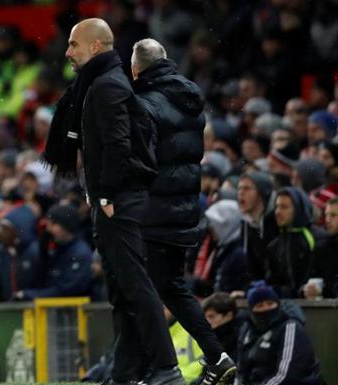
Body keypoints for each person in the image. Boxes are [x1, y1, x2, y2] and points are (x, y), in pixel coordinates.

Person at [45, 19, 182, 385]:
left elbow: (117, 144)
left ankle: (167, 367)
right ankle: (125, 373)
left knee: (136, 286)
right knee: (122, 293)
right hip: (112, 200)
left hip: (118, 201)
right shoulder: (99, 83)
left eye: (74, 44)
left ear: (94, 47)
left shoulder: (106, 85)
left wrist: (105, 194)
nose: (67, 51)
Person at [130, 38, 236, 385]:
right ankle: (215, 356)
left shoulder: (145, 103)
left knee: (147, 289)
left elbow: (143, 160)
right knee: (171, 287)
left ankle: (159, 368)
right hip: (184, 208)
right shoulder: (190, 98)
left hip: (154, 210)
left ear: (136, 68)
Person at [236, 282, 325, 385]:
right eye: (259, 306)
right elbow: (241, 369)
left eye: (270, 303)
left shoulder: (291, 327)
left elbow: (286, 375)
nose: (266, 308)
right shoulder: (247, 330)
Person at [14, 203, 93, 300]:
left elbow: (68, 290)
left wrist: (29, 295)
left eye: (53, 224)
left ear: (66, 226)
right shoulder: (55, 250)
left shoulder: (80, 253)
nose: (49, 229)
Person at [266, 187, 318, 297]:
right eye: (276, 207)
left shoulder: (317, 238)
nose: (278, 212)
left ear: (298, 209)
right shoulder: (274, 246)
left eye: (284, 207)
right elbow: (272, 282)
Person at [237, 171, 278, 282]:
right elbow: (251, 268)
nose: (241, 193)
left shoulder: (277, 222)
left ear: (262, 192)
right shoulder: (246, 224)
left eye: (247, 188)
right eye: (239, 188)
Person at [304, 198, 338, 299]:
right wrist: (306, 290)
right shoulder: (320, 248)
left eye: (333, 215)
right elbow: (308, 281)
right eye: (326, 215)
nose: (327, 219)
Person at [202, 293, 240, 360]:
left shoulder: (240, 338)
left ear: (229, 315)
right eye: (205, 317)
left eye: (211, 316)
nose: (207, 321)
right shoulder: (211, 337)